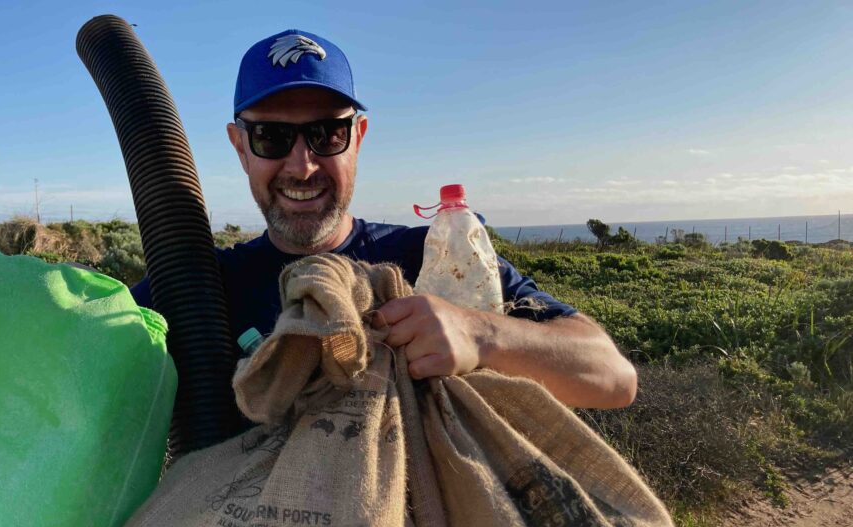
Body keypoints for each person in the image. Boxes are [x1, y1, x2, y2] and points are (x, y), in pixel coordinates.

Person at [134, 29, 636, 409]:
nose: (302, 164)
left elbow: (612, 377)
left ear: (360, 137)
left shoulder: (433, 258)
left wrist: (480, 335)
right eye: (271, 137)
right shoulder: (197, 286)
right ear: (240, 146)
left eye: (328, 134)